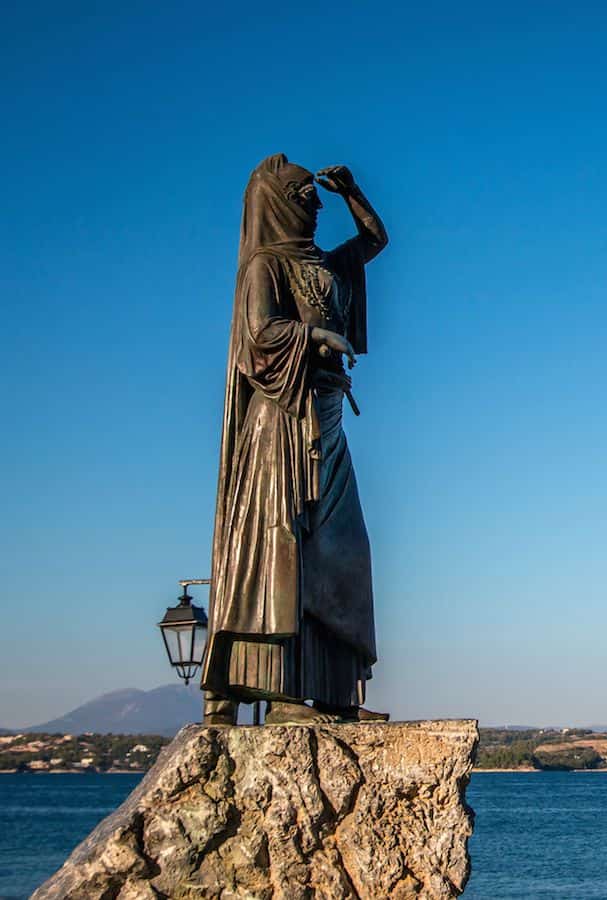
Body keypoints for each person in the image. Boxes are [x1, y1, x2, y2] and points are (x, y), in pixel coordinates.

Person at [201, 153, 388, 725]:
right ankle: (281, 695)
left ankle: (333, 689)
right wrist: (318, 335)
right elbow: (261, 334)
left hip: (327, 418)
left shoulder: (325, 264)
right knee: (284, 546)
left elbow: (374, 241)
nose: (317, 203)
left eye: (317, 194)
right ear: (280, 201)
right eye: (306, 194)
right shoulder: (264, 265)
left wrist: (354, 191)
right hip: (282, 418)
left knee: (343, 551)